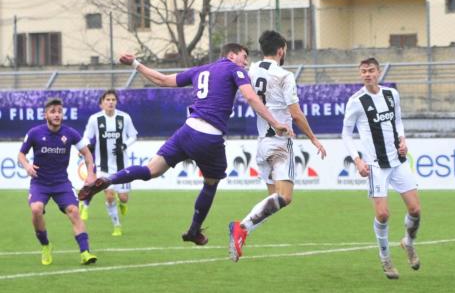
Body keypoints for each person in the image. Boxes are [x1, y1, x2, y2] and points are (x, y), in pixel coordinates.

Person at [78, 43, 294, 245]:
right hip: (210, 136)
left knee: (150, 170)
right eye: (244, 57)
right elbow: (251, 97)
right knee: (211, 183)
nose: (246, 63)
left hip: (187, 130)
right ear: (231, 55)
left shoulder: (200, 70)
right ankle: (193, 230)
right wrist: (275, 122)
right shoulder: (234, 70)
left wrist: (135, 63)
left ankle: (107, 179)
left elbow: (162, 80)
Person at [228, 30, 326, 262]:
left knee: (272, 200)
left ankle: (242, 232)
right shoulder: (284, 75)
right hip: (280, 143)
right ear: (281, 50)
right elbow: (296, 113)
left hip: (262, 143)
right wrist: (313, 138)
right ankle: (241, 227)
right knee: (286, 197)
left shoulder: (249, 71)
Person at [341, 57, 420, 279]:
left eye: (371, 70)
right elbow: (346, 133)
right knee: (383, 214)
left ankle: (408, 243)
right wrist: (357, 160)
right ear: (360, 74)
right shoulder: (356, 101)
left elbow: (398, 122)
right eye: (363, 71)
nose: (367, 74)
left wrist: (403, 139)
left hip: (398, 160)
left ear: (379, 72)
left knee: (415, 210)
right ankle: (385, 259)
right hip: (375, 165)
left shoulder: (391, 94)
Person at [18, 98, 98, 265]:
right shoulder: (34, 133)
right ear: (45, 114)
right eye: (53, 111)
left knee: (74, 211)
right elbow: (21, 155)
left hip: (61, 183)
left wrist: (91, 174)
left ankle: (85, 253)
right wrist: (27, 166)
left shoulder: (70, 133)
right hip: (40, 183)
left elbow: (88, 154)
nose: (57, 114)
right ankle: (46, 246)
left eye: (59, 111)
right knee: (36, 209)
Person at [79, 89, 138, 236]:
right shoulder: (95, 119)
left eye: (113, 100)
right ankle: (116, 225)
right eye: (108, 100)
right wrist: (88, 145)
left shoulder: (124, 118)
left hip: (122, 165)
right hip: (103, 165)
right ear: (102, 104)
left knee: (124, 198)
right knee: (109, 195)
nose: (111, 102)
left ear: (116, 102)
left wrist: (124, 145)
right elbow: (86, 136)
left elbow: (134, 136)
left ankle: (122, 203)